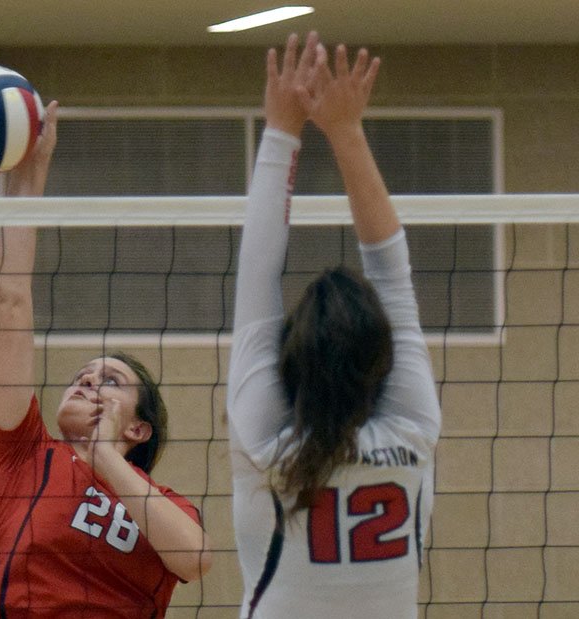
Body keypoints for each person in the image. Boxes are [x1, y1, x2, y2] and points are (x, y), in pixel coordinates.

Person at [227, 32, 441, 618]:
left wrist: (280, 131)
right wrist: (344, 131)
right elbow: (392, 273)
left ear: (290, 360)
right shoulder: (410, 428)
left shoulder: (263, 441)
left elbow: (256, 280)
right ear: (383, 357)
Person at [0, 101, 212, 618]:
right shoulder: (22, 454)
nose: (87, 381)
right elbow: (9, 299)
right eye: (82, 376)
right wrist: (29, 175)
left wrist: (104, 455)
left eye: (110, 381)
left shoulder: (163, 502)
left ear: (139, 430)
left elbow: (195, 559)